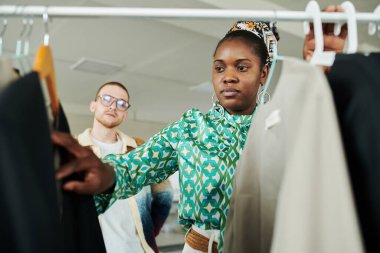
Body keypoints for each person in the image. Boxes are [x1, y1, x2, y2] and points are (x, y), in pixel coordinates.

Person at [52, 7, 347, 253]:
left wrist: (320, 72)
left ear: (263, 73)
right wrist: (107, 173)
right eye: (220, 68)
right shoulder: (192, 127)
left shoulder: (281, 124)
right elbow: (134, 167)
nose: (228, 77)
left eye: (242, 67)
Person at [77, 81, 173, 253]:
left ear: (125, 113)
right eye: (107, 99)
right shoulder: (75, 152)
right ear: (93, 105)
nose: (113, 106)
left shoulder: (140, 149)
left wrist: (149, 231)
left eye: (121, 104)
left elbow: (165, 195)